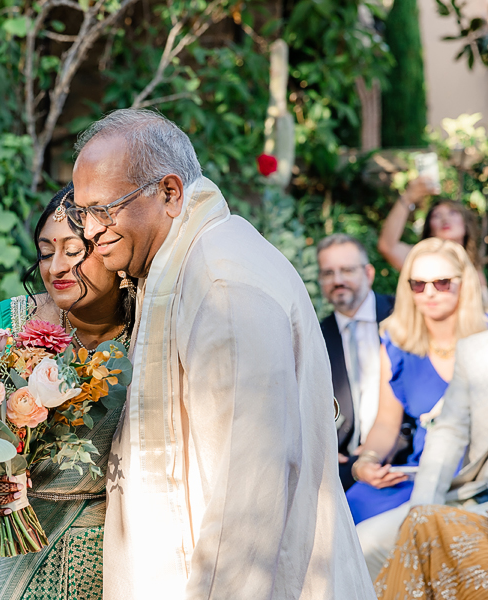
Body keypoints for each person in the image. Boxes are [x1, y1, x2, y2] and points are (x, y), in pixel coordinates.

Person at [69, 109, 374, 598]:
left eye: (105, 209)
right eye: (83, 212)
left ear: (169, 193)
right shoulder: (185, 263)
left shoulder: (221, 284)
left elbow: (249, 495)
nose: (89, 230)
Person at [0, 183, 136, 600]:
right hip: (2, 543)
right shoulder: (8, 322)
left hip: (101, 555)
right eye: (44, 251)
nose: (55, 267)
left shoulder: (148, 334)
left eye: (73, 251)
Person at [350, 239, 487, 578]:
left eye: (442, 282)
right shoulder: (396, 340)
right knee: (349, 514)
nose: (429, 292)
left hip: (475, 475)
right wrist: (365, 461)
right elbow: (387, 422)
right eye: (418, 284)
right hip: (422, 469)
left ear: (463, 283)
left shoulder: (481, 343)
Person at [369, 329, 488, 598]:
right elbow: (448, 431)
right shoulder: (476, 350)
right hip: (472, 497)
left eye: (443, 283)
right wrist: (422, 506)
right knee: (368, 542)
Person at [317, 234, 395, 490]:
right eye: (328, 273)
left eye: (347, 270)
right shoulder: (315, 336)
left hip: (401, 460)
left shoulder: (402, 316)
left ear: (369, 273)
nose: (337, 281)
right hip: (342, 469)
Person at [377, 175, 487, 291]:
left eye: (452, 213)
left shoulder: (474, 270)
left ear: (465, 225)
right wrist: (408, 198)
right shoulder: (419, 259)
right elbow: (387, 247)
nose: (445, 219)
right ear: (429, 229)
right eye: (437, 216)